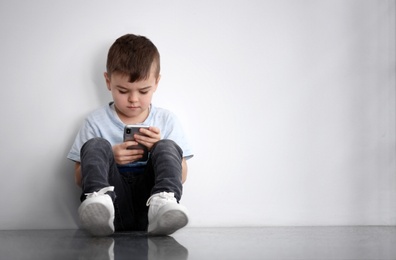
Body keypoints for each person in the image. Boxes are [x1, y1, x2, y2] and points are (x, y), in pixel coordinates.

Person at [67, 34, 193, 237]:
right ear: (108, 81)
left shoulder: (167, 120)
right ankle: (99, 202)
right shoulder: (95, 121)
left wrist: (157, 149)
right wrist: (110, 156)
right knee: (96, 145)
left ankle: (164, 204)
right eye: (123, 90)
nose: (133, 100)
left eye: (143, 91)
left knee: (167, 146)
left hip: (151, 207)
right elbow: (78, 177)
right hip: (112, 208)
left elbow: (183, 175)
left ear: (156, 83)